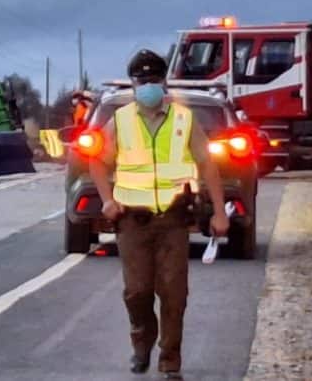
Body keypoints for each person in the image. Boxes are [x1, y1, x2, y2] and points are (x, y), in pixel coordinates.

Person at [89, 49, 228, 379]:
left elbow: (207, 165)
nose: (148, 86)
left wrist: (220, 212)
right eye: (142, 81)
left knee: (174, 293)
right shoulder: (119, 121)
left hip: (173, 220)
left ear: (163, 82)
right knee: (136, 291)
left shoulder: (184, 119)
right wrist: (107, 199)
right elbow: (97, 161)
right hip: (131, 222)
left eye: (153, 80)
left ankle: (170, 362)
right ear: (133, 84)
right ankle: (142, 339)